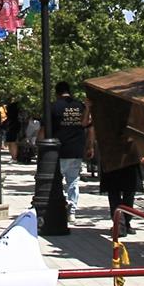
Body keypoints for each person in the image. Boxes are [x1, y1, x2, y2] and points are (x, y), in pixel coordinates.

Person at [49, 82, 88, 218]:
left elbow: (45, 129)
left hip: (59, 149)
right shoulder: (79, 105)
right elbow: (85, 123)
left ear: (57, 92)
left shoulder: (53, 107)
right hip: (76, 148)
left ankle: (61, 205)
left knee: (57, 180)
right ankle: (71, 210)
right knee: (73, 180)